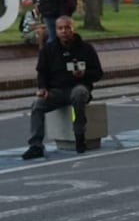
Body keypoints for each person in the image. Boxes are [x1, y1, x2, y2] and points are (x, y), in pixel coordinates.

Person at [21, 17, 104, 159]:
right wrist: (43, 88)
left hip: (79, 87)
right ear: (56, 30)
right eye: (60, 28)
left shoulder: (86, 48)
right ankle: (35, 145)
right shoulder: (48, 49)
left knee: (78, 94)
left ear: (73, 29)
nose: (64, 31)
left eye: (67, 28)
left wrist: (85, 74)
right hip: (56, 91)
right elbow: (42, 72)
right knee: (37, 105)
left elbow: (98, 73)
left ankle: (79, 135)